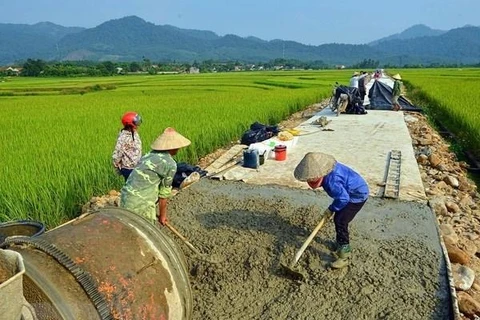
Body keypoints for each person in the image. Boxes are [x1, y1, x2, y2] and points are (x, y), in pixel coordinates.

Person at [293, 152, 369, 269]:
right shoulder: (328, 172)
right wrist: (334, 208)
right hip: (348, 191)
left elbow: (343, 198)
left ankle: (344, 256)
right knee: (338, 217)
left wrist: (331, 208)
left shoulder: (331, 183)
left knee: (341, 221)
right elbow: (341, 197)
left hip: (357, 195)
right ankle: (339, 244)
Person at [120, 127, 191, 225]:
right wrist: (163, 216)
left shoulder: (149, 154)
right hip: (142, 204)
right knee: (145, 233)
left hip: (126, 198)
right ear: (173, 147)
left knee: (128, 229)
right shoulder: (170, 164)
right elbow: (164, 194)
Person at [112, 112, 143, 181]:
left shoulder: (134, 133)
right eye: (136, 123)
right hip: (128, 168)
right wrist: (116, 166)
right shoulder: (123, 138)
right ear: (129, 125)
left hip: (137, 166)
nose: (138, 125)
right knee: (133, 188)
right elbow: (117, 153)